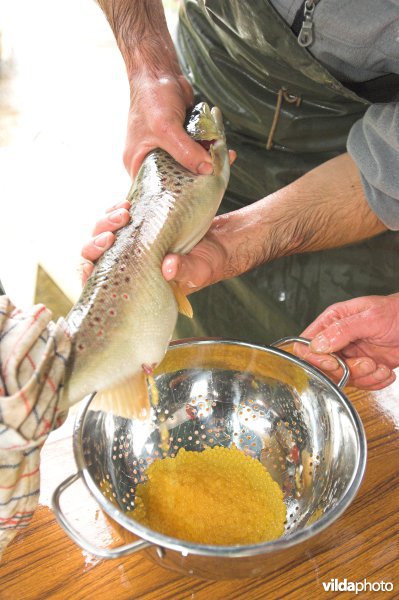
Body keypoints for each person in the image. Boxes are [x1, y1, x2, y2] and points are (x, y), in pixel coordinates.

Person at [82, 0, 399, 391]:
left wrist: (236, 244)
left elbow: (388, 170)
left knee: (317, 377)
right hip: (214, 72)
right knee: (196, 367)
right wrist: (151, 68)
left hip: (352, 154)